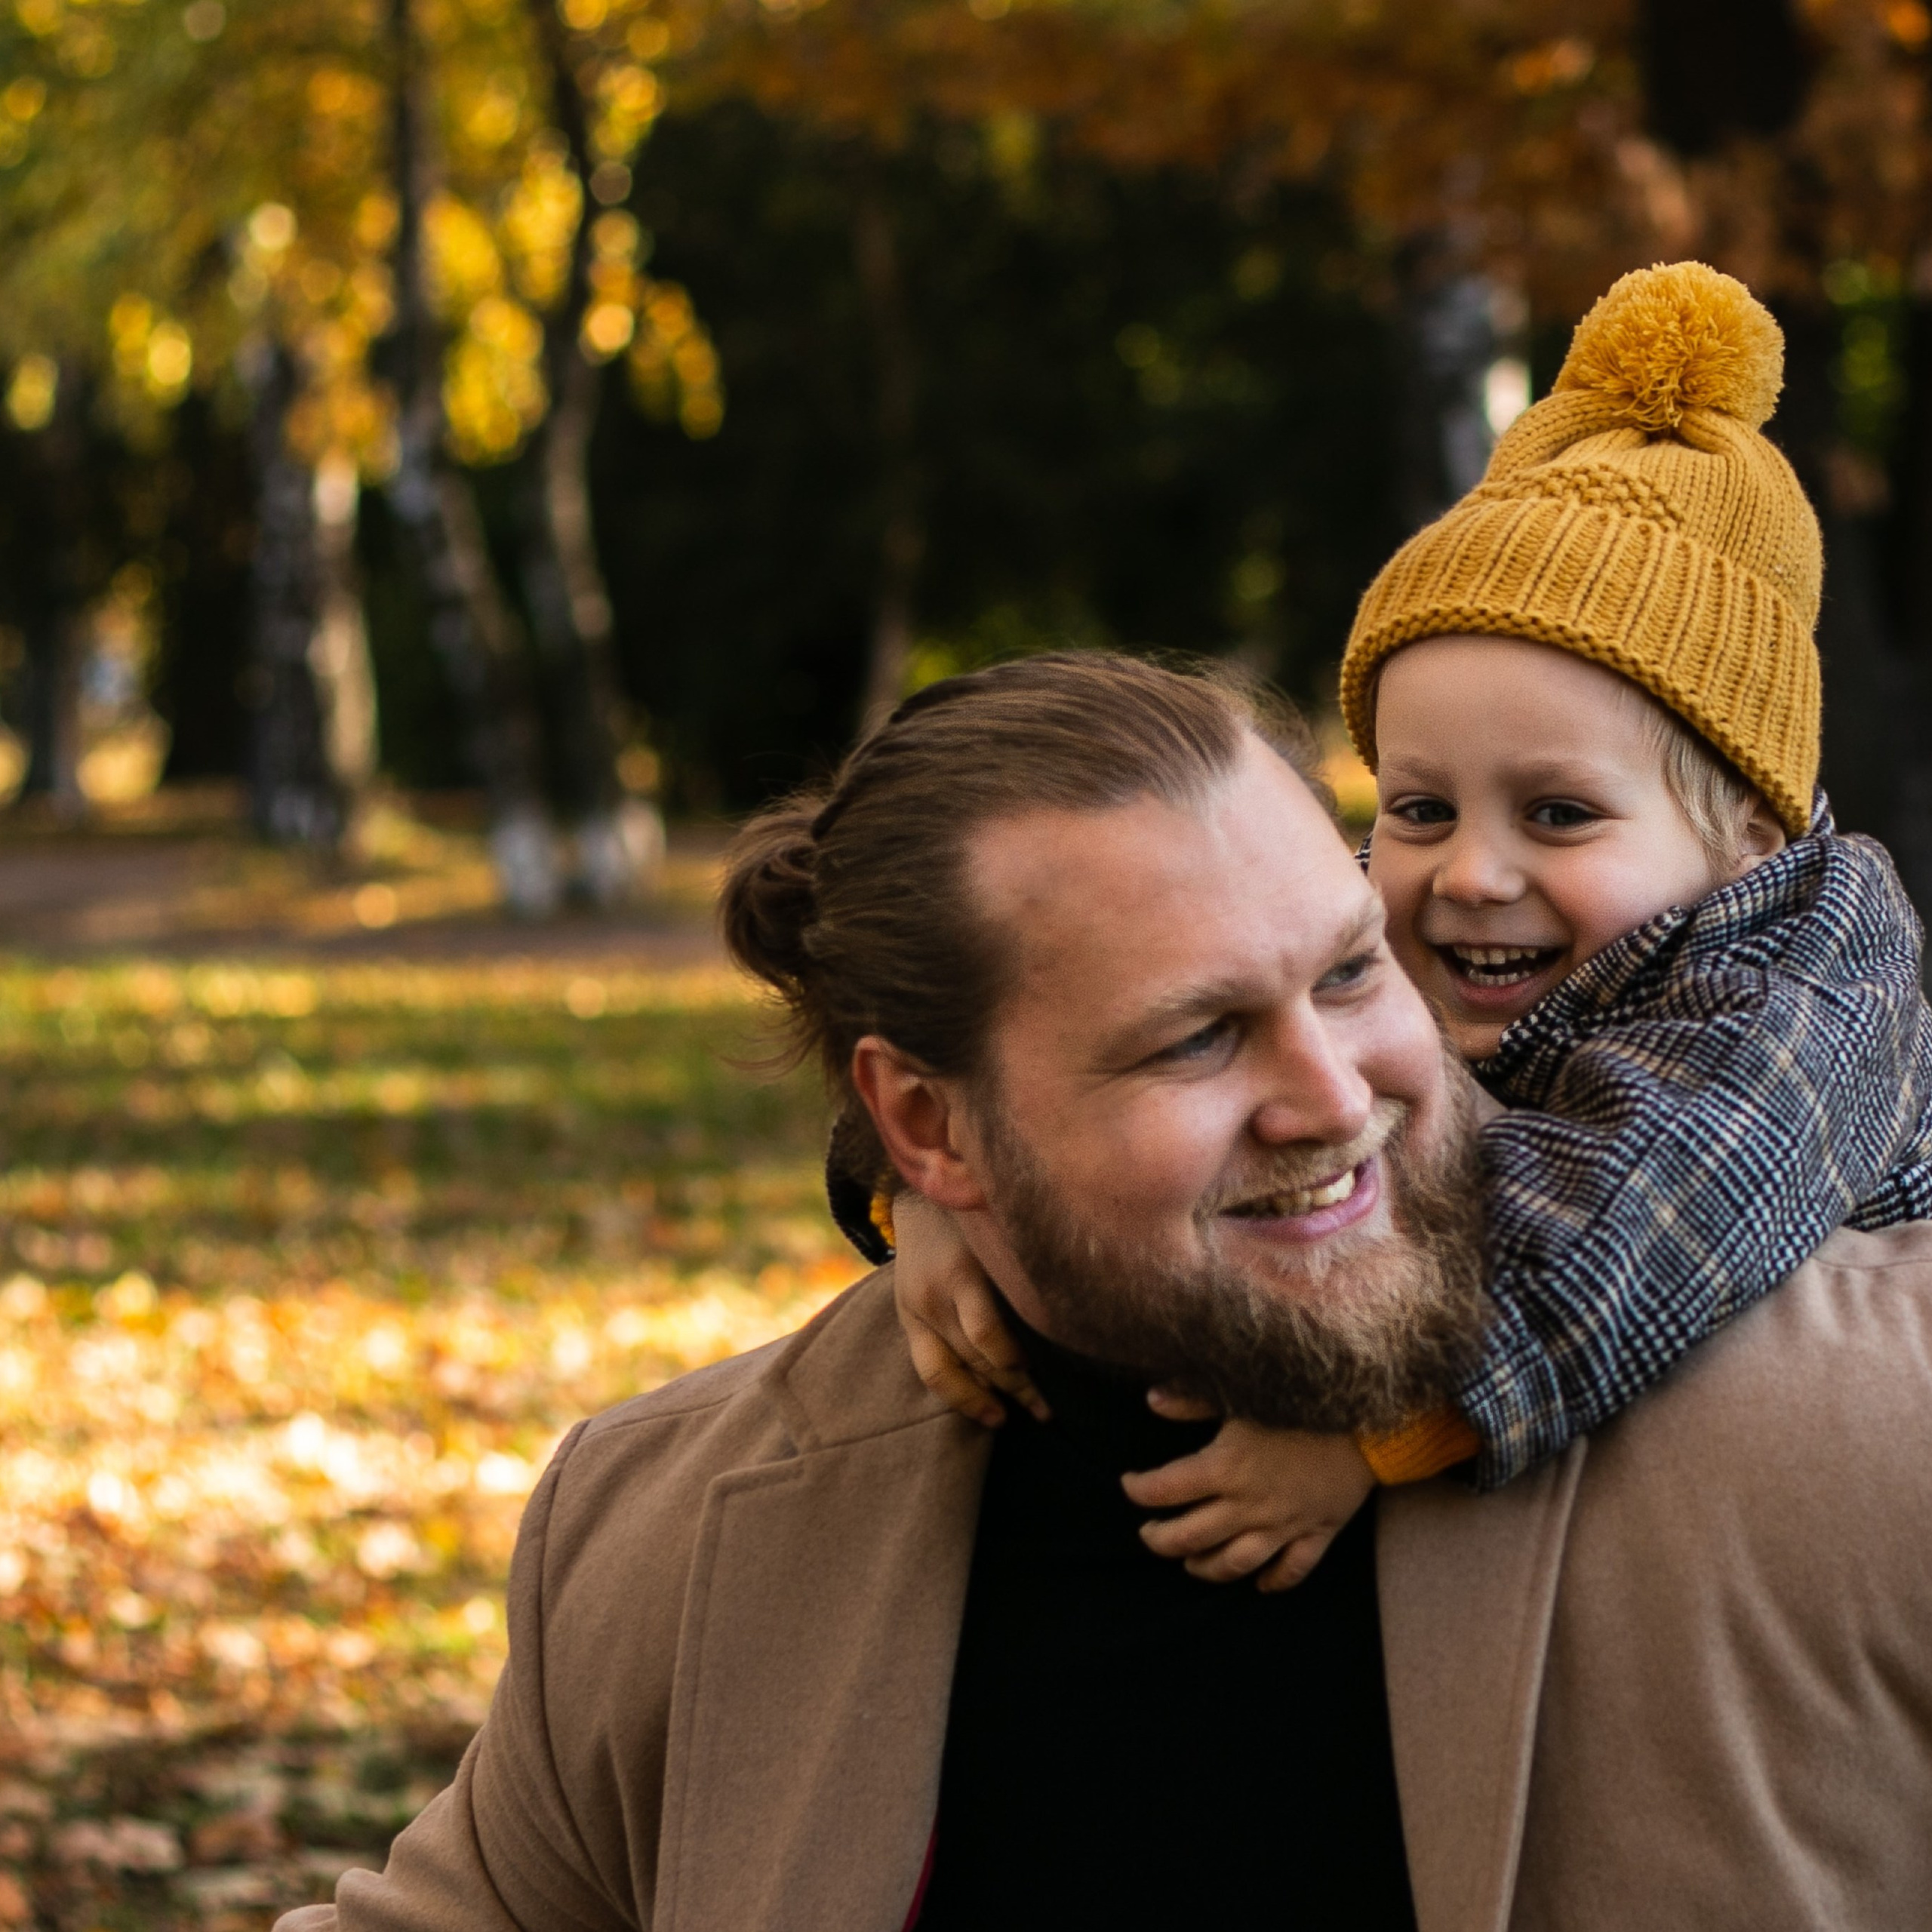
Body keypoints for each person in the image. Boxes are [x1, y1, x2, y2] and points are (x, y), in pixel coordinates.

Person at [275, 652, 1932, 1932]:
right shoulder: (679, 1524)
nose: (1333, 1092)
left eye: (1351, 970)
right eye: (1199, 1036)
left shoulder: (1859, 1426)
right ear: (923, 1125)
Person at [872, 261, 1932, 1589]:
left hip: (1758, 1493)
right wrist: (927, 1185)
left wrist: (1383, 1435)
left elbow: (1664, 1212)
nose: (1467, 874)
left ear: (1746, 844)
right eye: (1421, 806)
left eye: (1556, 816)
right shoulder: (1413, 920)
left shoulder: (1808, 985)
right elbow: (1081, 1013)